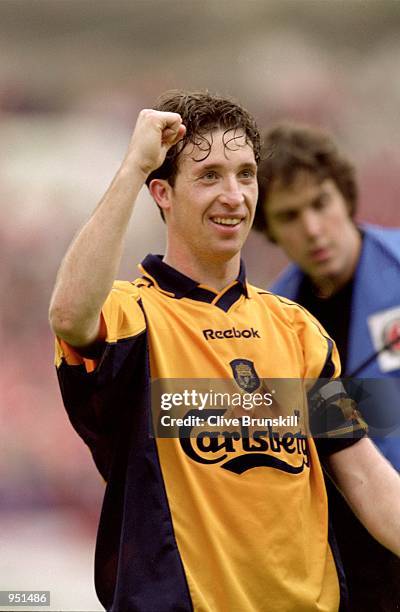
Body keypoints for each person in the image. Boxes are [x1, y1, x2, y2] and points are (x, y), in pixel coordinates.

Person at [49, 91, 400, 612]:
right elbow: (70, 314)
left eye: (245, 174)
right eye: (209, 175)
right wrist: (133, 167)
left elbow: (363, 473)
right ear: (163, 192)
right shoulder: (130, 317)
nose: (233, 194)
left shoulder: (297, 328)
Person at [254, 122, 400, 611]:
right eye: (289, 216)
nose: (312, 229)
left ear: (345, 197)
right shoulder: (268, 323)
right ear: (269, 230)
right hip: (337, 567)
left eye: (320, 203)